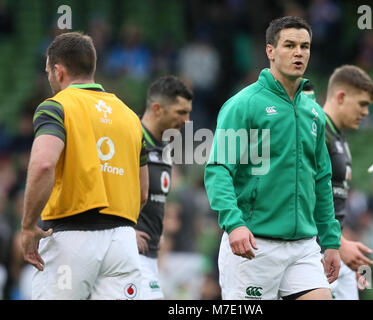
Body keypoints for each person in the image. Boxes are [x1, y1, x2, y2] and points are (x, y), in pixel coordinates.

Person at [204, 16, 341, 300]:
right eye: (289, 45)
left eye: (305, 46)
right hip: (253, 243)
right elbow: (218, 169)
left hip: (303, 246)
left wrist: (330, 242)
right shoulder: (243, 104)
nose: (298, 52)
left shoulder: (313, 112)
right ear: (270, 51)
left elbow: (322, 179)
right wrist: (234, 223)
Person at [20, 32, 149, 300]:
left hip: (72, 240)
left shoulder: (55, 108)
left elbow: (44, 164)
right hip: (123, 243)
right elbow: (143, 192)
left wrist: (28, 226)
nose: (49, 78)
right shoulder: (131, 117)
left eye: (48, 72)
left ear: (58, 71)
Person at [319, 65, 373, 299]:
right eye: (362, 104)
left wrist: (345, 245)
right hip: (313, 250)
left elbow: (334, 200)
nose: (365, 112)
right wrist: (340, 245)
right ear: (341, 96)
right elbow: (304, 196)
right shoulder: (316, 132)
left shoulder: (339, 137)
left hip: (332, 248)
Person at [135, 75, 193, 299]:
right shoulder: (131, 138)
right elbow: (102, 187)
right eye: (181, 112)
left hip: (151, 254)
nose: (187, 121)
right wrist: (124, 232)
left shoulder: (165, 148)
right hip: (129, 255)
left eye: (188, 113)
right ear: (157, 108)